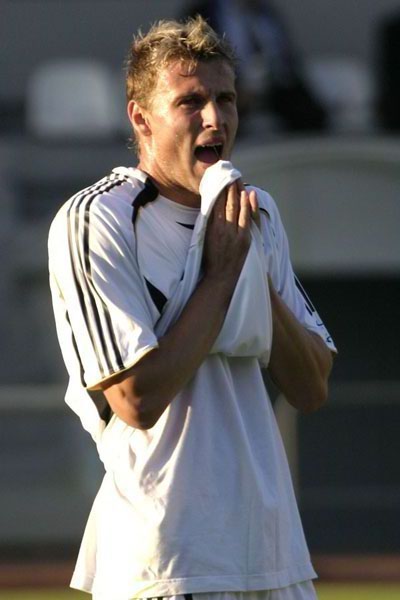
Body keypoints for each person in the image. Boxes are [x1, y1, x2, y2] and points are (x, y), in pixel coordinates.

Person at [48, 16, 336, 600]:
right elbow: (136, 399)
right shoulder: (98, 218)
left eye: (226, 99)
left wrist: (248, 266)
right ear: (140, 118)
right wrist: (223, 274)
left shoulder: (255, 215)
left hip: (273, 556)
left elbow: (312, 386)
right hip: (166, 564)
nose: (215, 118)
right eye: (190, 102)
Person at [183, 0, 328, 132]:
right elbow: (194, 61)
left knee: (311, 116)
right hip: (228, 87)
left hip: (274, 87)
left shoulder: (268, 14)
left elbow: (286, 58)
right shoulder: (205, 13)